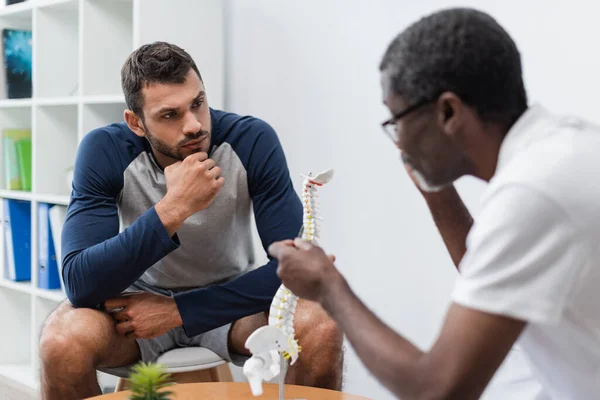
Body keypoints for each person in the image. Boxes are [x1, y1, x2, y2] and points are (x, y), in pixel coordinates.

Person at [269, 7, 600, 400]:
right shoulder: (561, 148)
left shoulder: (532, 193)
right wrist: (432, 186)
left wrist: (328, 287)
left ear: (448, 112)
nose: (399, 141)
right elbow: (488, 270)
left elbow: (438, 390)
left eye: (397, 120)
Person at [38, 41, 343, 400]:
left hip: (230, 304)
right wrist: (174, 208)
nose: (194, 126)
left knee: (321, 322)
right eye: (170, 115)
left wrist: (179, 311)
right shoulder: (104, 150)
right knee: (60, 341)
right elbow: (80, 282)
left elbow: (295, 272)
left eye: (197, 103)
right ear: (136, 123)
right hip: (134, 310)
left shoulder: (252, 140)